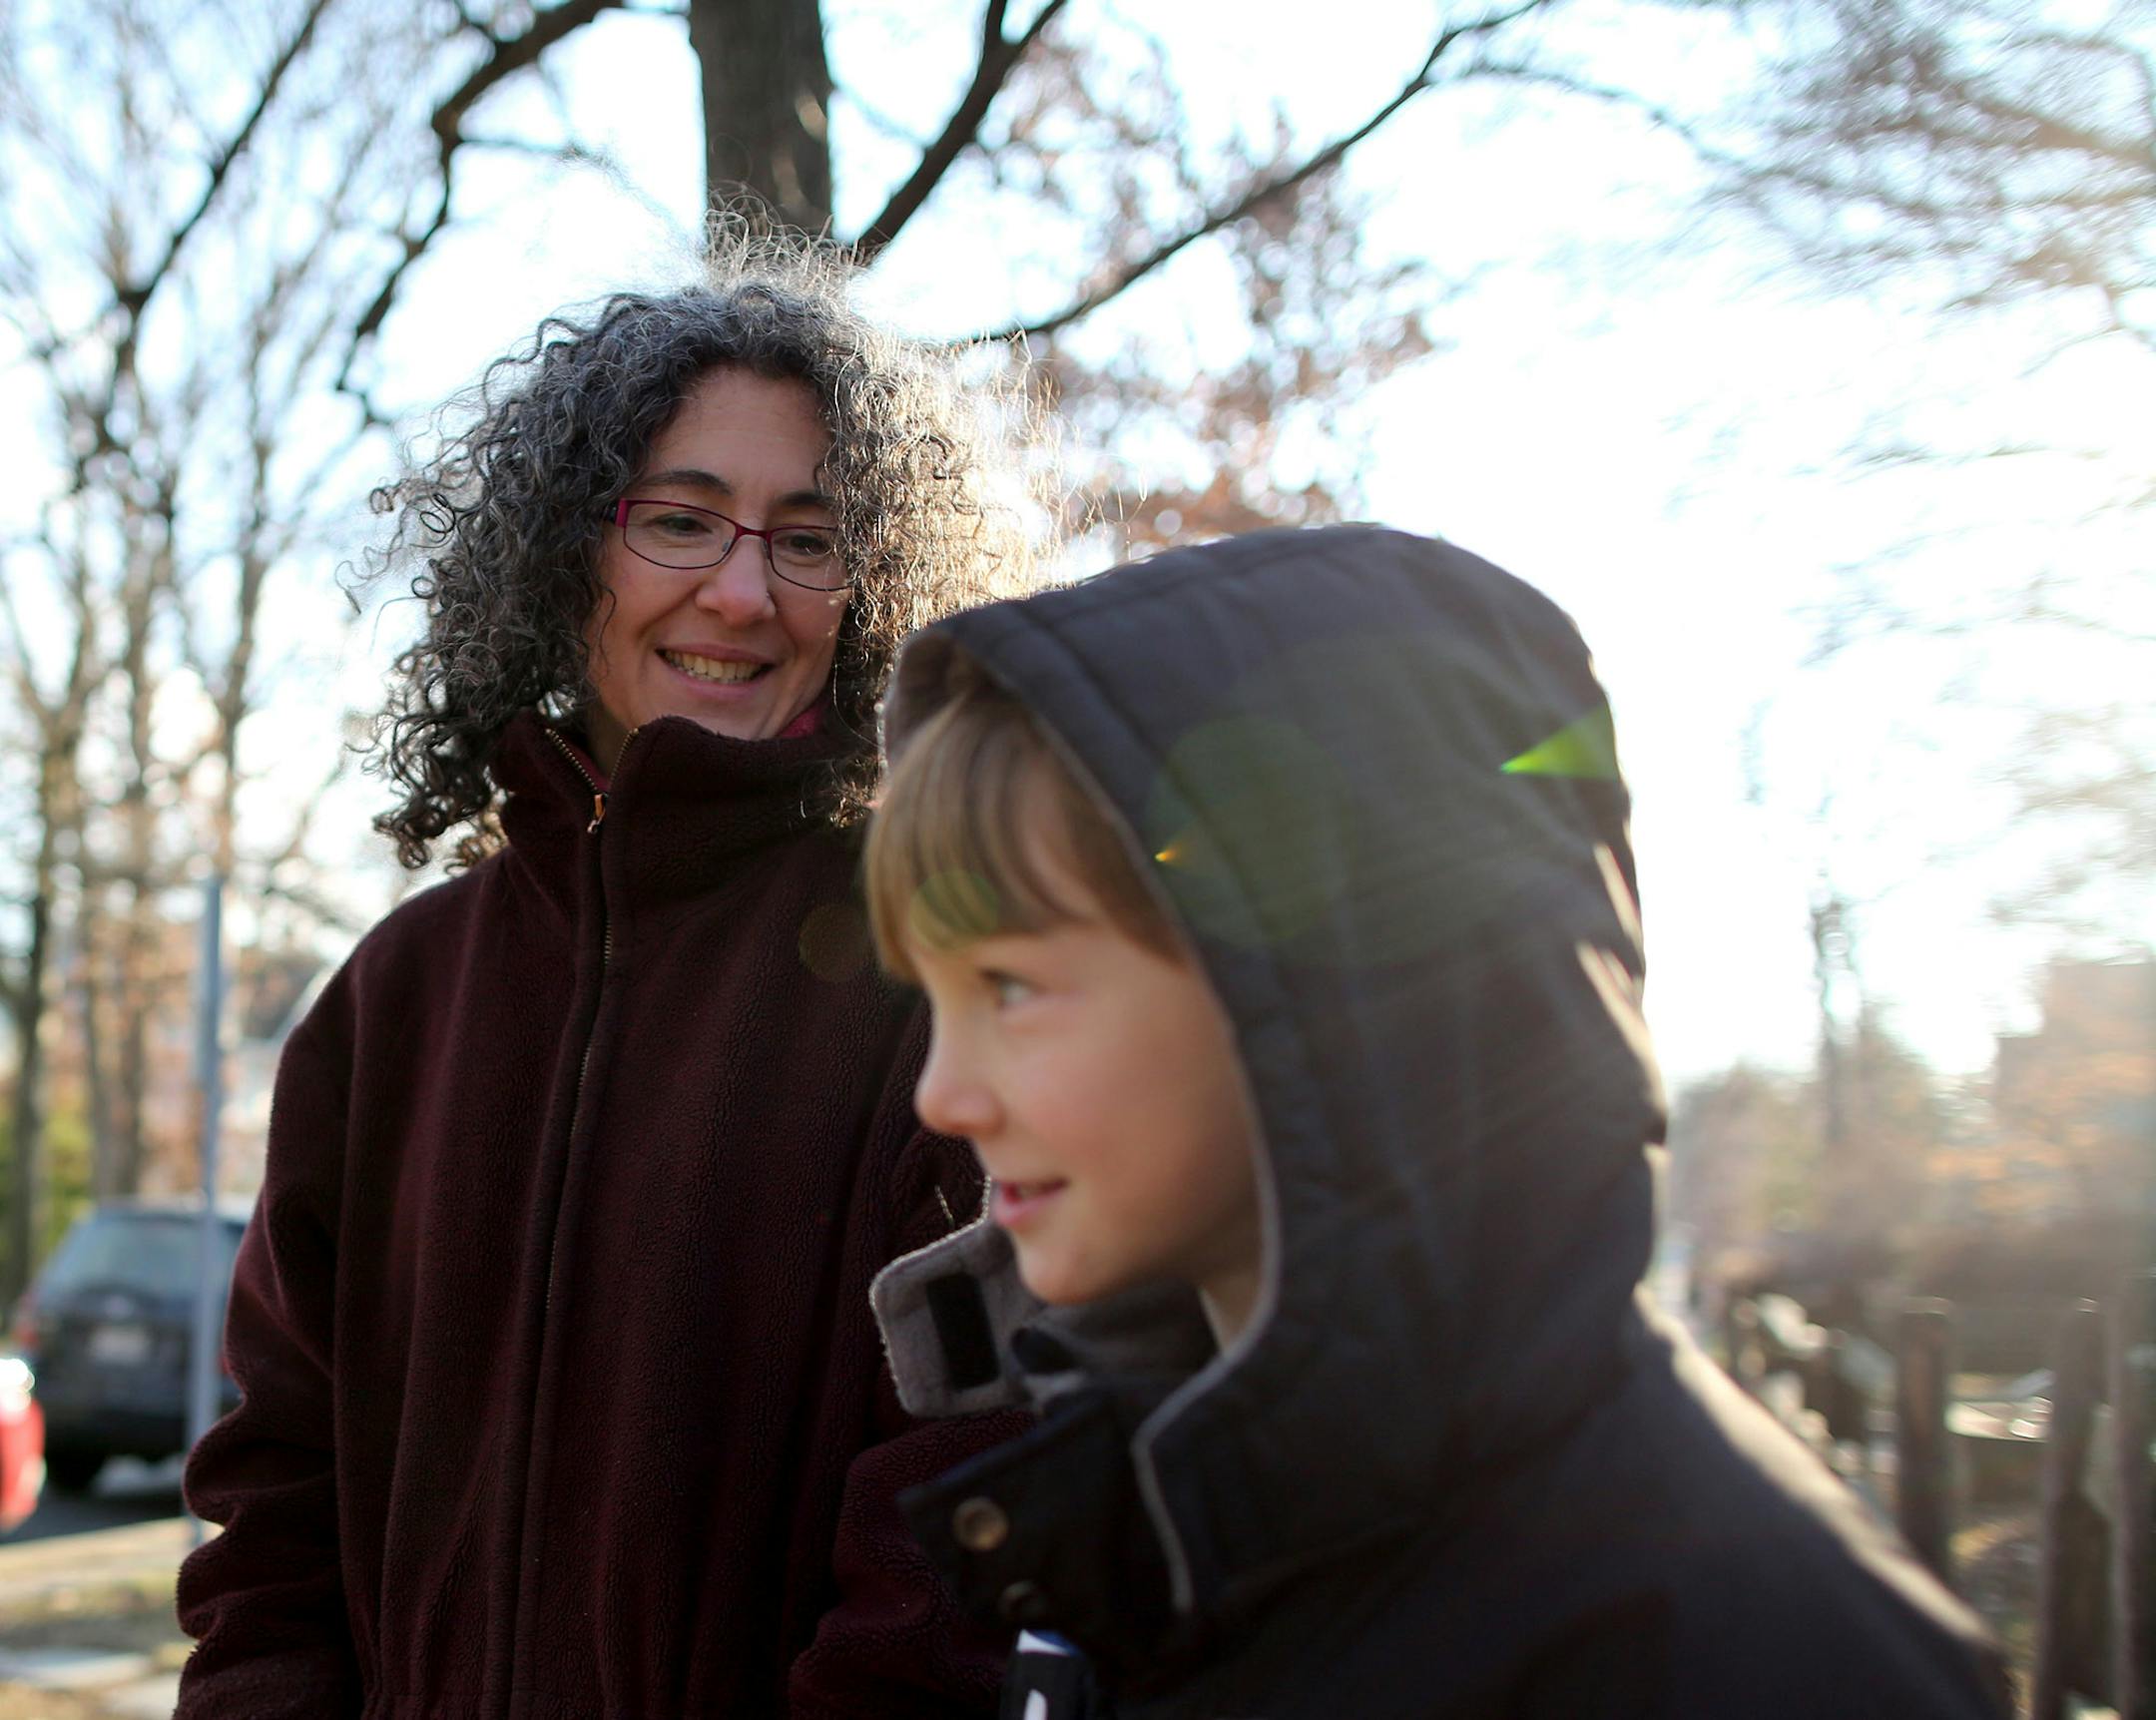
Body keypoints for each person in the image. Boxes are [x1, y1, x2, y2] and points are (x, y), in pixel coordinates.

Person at [859, 524, 2012, 1719]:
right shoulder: (1136, 1522)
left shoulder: (1755, 1650)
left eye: (1010, 988)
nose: (946, 1094)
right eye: (935, 995)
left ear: (1324, 990)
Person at [177, 246, 1045, 1718]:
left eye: (811, 538)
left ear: (878, 588)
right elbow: (274, 1510)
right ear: (573, 547)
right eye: (681, 520)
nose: (742, 590)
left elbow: (959, 1524)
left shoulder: (945, 976)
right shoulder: (394, 1001)